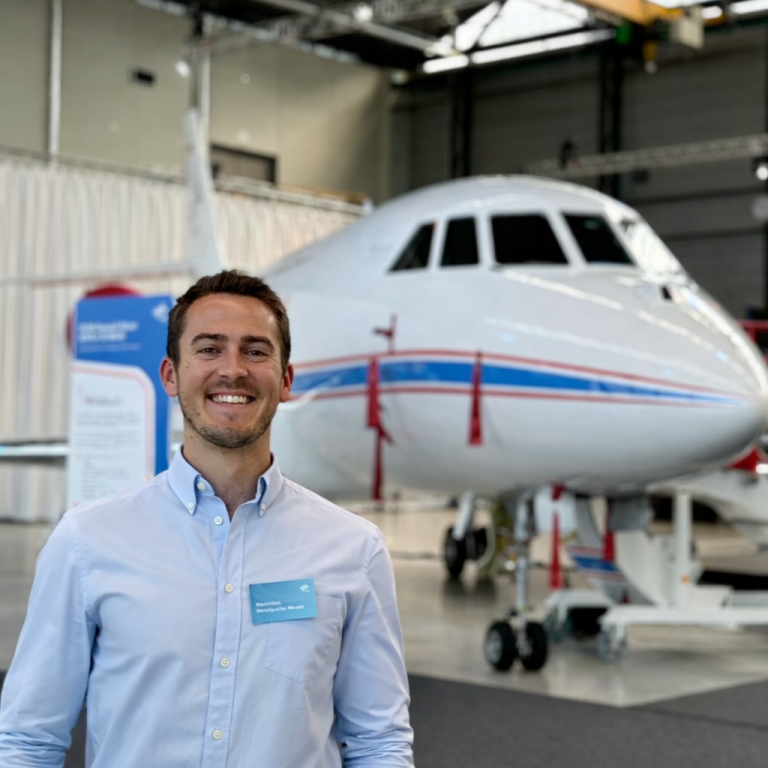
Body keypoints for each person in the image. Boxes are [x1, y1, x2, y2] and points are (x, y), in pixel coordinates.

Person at [0, 270, 414, 767]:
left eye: (255, 351)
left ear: (286, 381)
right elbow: (28, 742)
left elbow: (378, 742)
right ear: (171, 375)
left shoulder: (353, 550)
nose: (233, 370)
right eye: (209, 349)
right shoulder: (87, 541)